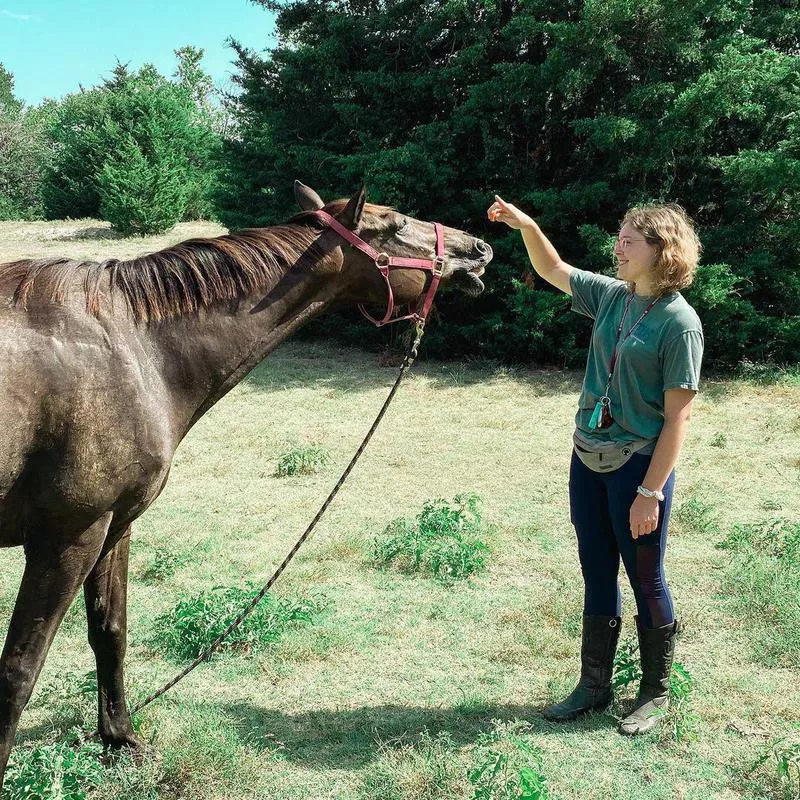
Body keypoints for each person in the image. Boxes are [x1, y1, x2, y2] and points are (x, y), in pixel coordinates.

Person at [487, 196, 703, 735]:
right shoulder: (613, 297)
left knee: (645, 576)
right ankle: (593, 686)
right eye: (621, 235)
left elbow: (678, 420)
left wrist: (650, 493)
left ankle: (655, 691)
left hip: (638, 465)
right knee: (596, 568)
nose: (619, 245)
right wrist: (528, 225)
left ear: (663, 250)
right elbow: (553, 269)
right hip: (588, 454)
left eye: (631, 238)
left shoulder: (679, 323)